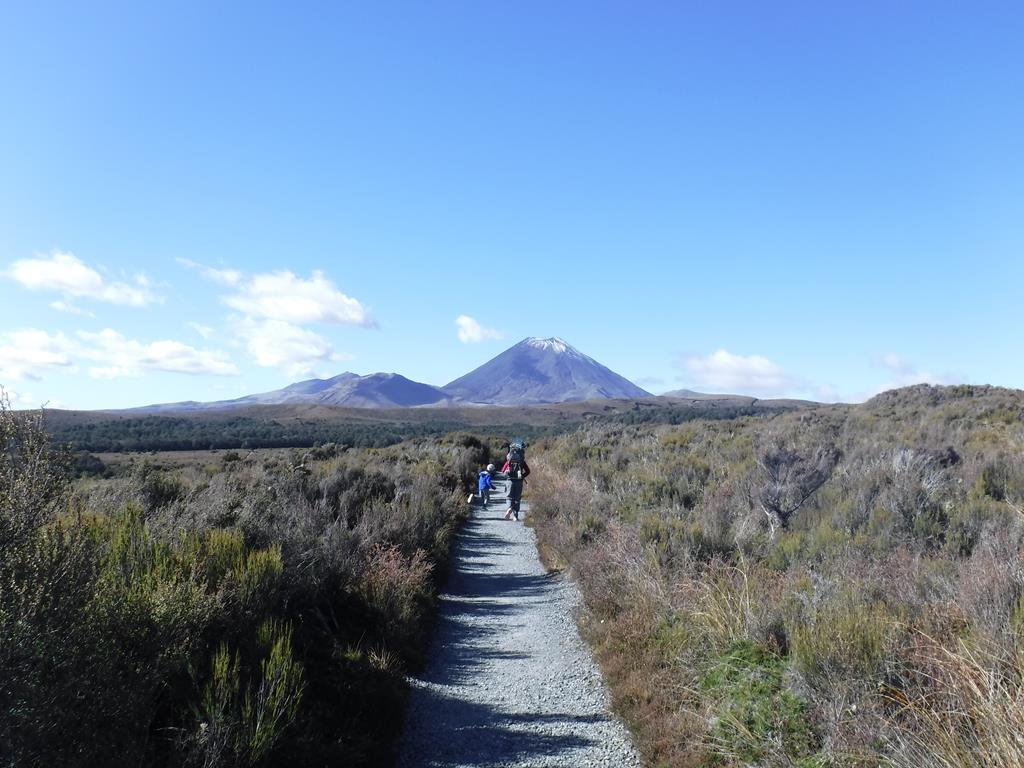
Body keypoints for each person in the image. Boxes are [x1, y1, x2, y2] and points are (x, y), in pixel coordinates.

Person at [501, 452, 530, 520]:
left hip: (509, 481)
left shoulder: (508, 462)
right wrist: (522, 476)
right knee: (517, 498)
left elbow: (502, 471)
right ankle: (515, 515)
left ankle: (509, 508)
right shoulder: (522, 462)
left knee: (509, 497)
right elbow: (528, 471)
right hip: (519, 482)